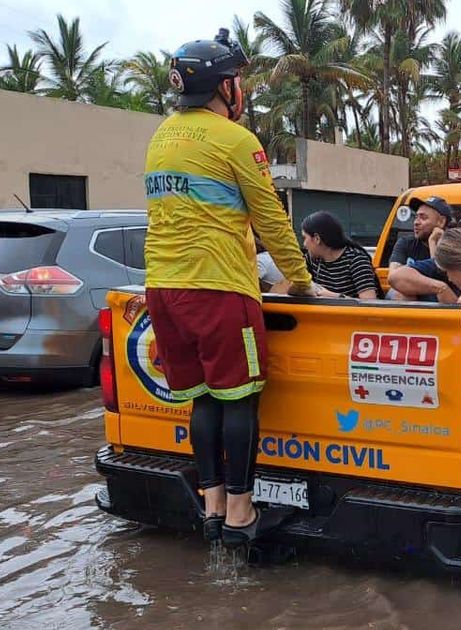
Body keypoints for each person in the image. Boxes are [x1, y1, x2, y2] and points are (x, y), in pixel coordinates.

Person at [143, 28, 318, 549]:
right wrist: (302, 281)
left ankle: (213, 505)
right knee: (239, 398)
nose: (240, 88)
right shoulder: (236, 140)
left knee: (202, 399)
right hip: (218, 289)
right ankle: (242, 514)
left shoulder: (161, 137)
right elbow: (271, 220)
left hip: (162, 289)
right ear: (225, 87)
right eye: (237, 80)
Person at [298, 211, 380, 299]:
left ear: (317, 239)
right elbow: (290, 287)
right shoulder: (311, 259)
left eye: (305, 238)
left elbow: (369, 301)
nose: (304, 244)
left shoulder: (356, 260)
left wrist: (333, 296)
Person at [388, 196, 453, 270]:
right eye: (416, 217)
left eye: (423, 217)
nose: (416, 222)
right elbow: (393, 274)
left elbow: (439, 273)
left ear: (441, 222)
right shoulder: (406, 243)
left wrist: (433, 242)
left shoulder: (454, 248)